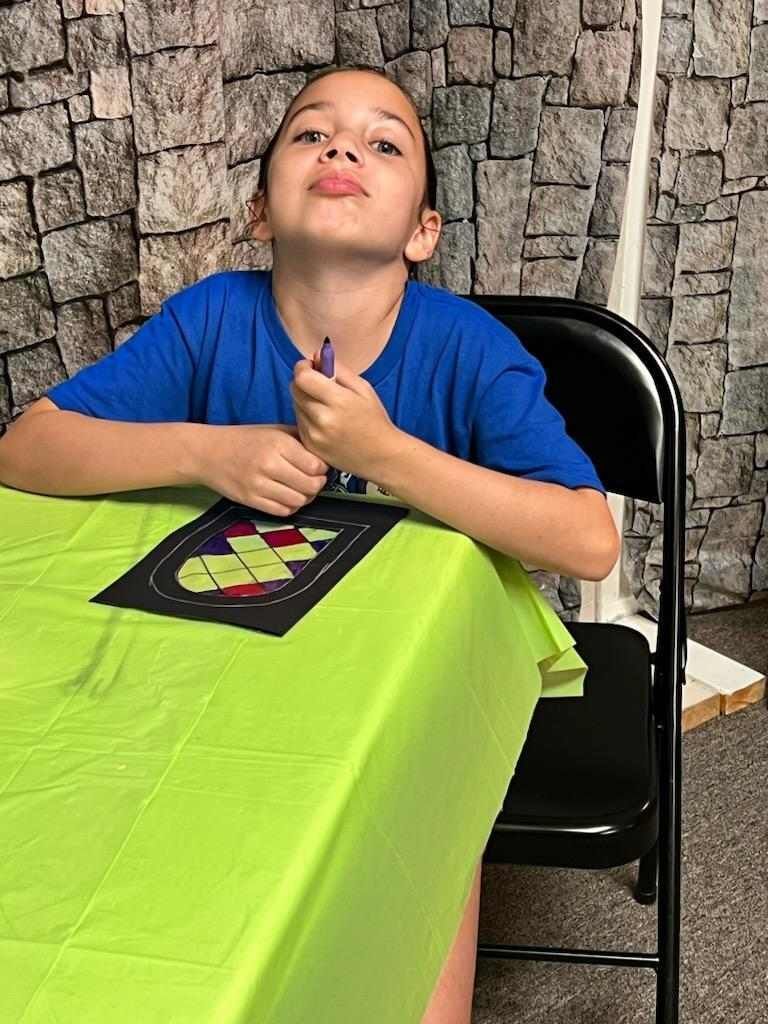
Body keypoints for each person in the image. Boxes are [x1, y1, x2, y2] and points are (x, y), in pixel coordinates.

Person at [0, 64, 620, 1024]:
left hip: (404, 696)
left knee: (416, 834)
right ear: (259, 210)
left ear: (423, 233)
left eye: (384, 144)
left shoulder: (469, 348)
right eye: (311, 135)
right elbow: (26, 449)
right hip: (217, 677)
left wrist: (388, 456)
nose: (342, 151)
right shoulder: (210, 319)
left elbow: (587, 540)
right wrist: (209, 451)